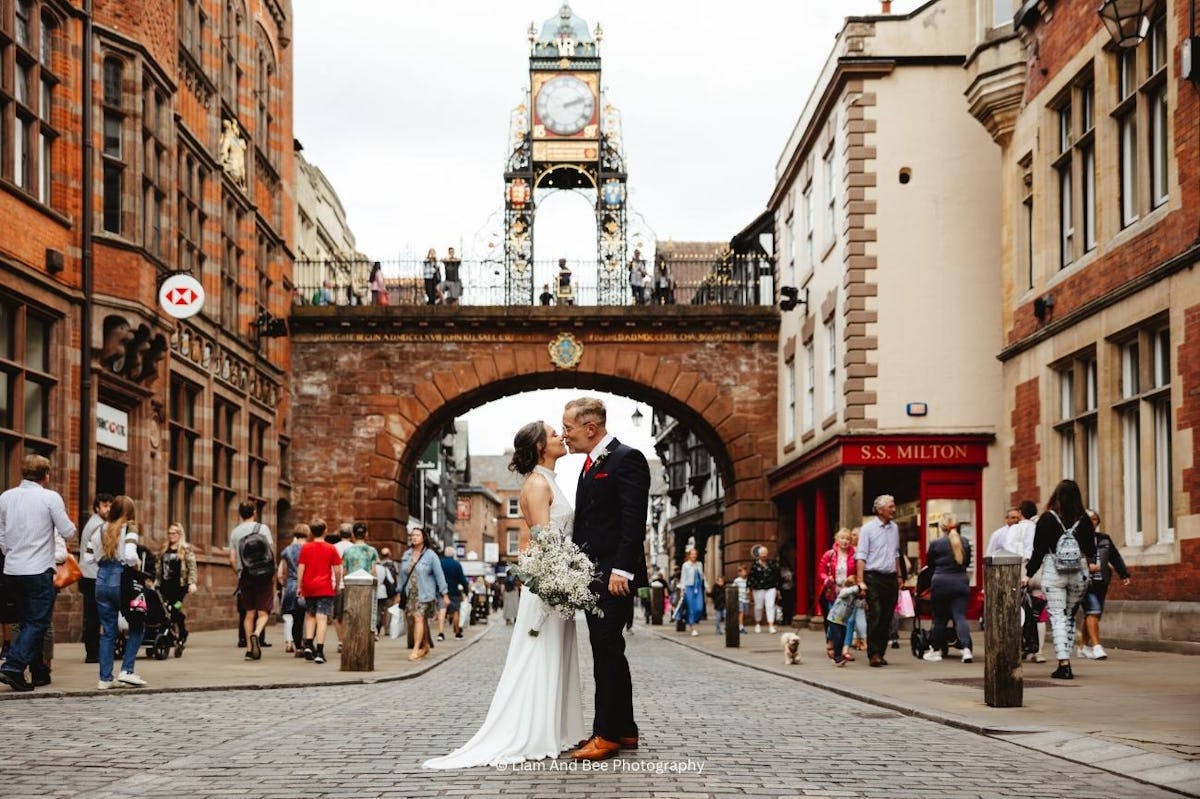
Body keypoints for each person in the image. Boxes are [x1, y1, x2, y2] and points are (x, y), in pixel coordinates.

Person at [424, 421, 584, 769]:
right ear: (541, 446)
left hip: (555, 578)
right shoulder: (539, 483)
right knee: (542, 652)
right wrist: (566, 574)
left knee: (555, 651)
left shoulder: (547, 479)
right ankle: (538, 731)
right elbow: (544, 539)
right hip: (549, 583)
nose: (561, 436)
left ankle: (556, 729)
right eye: (554, 434)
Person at [562, 396, 650, 762]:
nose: (564, 435)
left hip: (612, 575)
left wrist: (622, 570)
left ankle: (606, 735)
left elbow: (633, 519)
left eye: (568, 428)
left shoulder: (626, 459)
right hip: (594, 574)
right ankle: (625, 729)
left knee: (606, 654)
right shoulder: (589, 464)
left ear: (590, 428)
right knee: (610, 651)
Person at [0, 454, 77, 692]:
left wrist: (12, 552)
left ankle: (29, 673)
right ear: (46, 474)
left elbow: (1, 535)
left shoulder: (5, 497)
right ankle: (13, 666)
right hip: (38, 569)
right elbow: (68, 531)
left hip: (12, 569)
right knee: (37, 622)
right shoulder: (49, 498)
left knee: (24, 622)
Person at [1021, 479, 1097, 680]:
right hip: (1079, 572)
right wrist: (1092, 565)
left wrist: (1028, 574)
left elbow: (1038, 551)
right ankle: (1066, 657)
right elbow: (1091, 549)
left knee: (1057, 616)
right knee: (1070, 615)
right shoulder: (1085, 520)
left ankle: (1064, 662)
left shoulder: (1047, 519)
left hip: (1054, 571)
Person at [87, 495, 146, 689]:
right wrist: (136, 563)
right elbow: (129, 556)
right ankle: (127, 670)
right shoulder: (129, 529)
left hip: (101, 581)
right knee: (137, 625)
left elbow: (88, 558)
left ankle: (105, 678)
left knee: (108, 631)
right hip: (122, 580)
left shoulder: (98, 529)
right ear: (129, 512)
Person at [856, 494, 902, 668]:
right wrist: (861, 581)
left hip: (890, 577)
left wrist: (899, 575)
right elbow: (861, 555)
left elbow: (896, 553)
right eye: (891, 506)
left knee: (887, 616)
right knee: (875, 613)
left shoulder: (895, 528)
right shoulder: (868, 529)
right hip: (873, 577)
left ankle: (881, 652)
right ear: (880, 509)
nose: (894, 509)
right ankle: (873, 653)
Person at [922, 513, 974, 664]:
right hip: (961, 582)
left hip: (941, 583)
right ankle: (966, 650)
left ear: (941, 527)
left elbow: (930, 564)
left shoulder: (936, 543)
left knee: (939, 619)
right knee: (960, 617)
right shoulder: (964, 542)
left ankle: (936, 650)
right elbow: (966, 562)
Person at [1079, 509, 1130, 661]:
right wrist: (1087, 565)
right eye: (1088, 519)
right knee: (1093, 611)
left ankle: (1083, 647)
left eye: (1094, 519)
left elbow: (1114, 556)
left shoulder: (1104, 539)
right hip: (1085, 582)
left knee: (1093, 614)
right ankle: (1096, 646)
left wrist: (1124, 574)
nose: (1092, 522)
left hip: (1102, 581)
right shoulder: (1077, 540)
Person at [229, 500, 274, 661]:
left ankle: (249, 649)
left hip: (246, 576)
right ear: (254, 512)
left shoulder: (235, 532)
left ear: (240, 514)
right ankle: (257, 633)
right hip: (263, 575)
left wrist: (239, 573)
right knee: (263, 612)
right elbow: (270, 551)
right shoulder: (263, 528)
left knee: (249, 613)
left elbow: (232, 559)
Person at [296, 518, 341, 664]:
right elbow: (337, 569)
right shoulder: (331, 548)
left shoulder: (306, 548)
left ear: (311, 532)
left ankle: (309, 644)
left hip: (309, 586)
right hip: (324, 586)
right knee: (322, 618)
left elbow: (301, 568)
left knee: (310, 615)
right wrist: (337, 584)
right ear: (325, 530)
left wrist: (299, 586)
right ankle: (320, 651)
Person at [398, 528, 447, 662]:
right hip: (410, 593)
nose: (414, 537)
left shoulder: (431, 555)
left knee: (419, 618)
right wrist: (399, 592)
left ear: (423, 538)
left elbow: (439, 575)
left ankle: (416, 649)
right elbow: (402, 575)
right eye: (412, 535)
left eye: (417, 535)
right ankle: (425, 646)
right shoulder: (407, 555)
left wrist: (444, 593)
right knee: (419, 620)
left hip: (425, 592)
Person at [78, 493, 113, 664]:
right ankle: (92, 652)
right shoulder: (98, 526)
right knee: (94, 615)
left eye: (110, 505)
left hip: (90, 574)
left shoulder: (97, 523)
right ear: (97, 507)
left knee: (94, 615)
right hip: (91, 575)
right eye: (105, 505)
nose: (108, 509)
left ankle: (93, 650)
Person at [155, 522, 198, 647]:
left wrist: (192, 583)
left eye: (173, 533)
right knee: (165, 611)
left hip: (179, 588)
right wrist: (155, 582)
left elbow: (192, 567)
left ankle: (182, 632)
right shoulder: (164, 548)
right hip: (164, 586)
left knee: (175, 609)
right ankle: (169, 635)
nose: (171, 535)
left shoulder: (185, 549)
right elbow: (158, 567)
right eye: (169, 533)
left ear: (180, 534)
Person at [816, 528, 854, 657]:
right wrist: (826, 579)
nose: (845, 541)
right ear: (837, 540)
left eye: (848, 539)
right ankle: (831, 641)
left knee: (849, 620)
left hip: (848, 592)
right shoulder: (830, 554)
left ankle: (845, 648)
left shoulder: (855, 555)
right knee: (834, 620)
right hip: (833, 591)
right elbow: (821, 571)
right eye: (842, 538)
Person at [277, 525, 308, 654]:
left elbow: (281, 573)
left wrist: (285, 584)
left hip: (291, 586)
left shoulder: (287, 550)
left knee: (297, 619)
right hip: (307, 585)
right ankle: (309, 642)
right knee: (311, 617)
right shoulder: (309, 548)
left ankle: (298, 647)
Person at [826, 577, 862, 667]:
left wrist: (862, 597)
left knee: (841, 638)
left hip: (843, 621)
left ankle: (839, 655)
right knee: (837, 636)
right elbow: (845, 592)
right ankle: (837, 657)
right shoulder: (844, 592)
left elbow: (860, 605)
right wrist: (858, 587)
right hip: (834, 619)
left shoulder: (854, 598)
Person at [437, 546, 469, 641]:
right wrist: (466, 591)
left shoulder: (440, 563)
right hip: (454, 592)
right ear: (453, 554)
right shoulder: (457, 564)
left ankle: (441, 633)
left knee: (442, 611)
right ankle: (457, 633)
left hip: (442, 591)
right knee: (455, 612)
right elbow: (463, 579)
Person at [748, 544, 780, 634]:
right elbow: (750, 577)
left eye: (765, 553)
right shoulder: (755, 565)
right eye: (762, 553)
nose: (764, 555)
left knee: (770, 606)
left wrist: (777, 587)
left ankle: (771, 625)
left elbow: (776, 575)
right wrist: (749, 587)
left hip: (770, 587)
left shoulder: (771, 564)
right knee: (758, 606)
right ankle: (758, 623)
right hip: (758, 588)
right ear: (759, 554)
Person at [678, 547, 704, 636]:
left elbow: (702, 576)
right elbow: (683, 578)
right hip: (689, 588)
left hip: (698, 588)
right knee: (691, 608)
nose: (694, 555)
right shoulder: (685, 565)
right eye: (692, 554)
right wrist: (682, 590)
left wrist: (707, 586)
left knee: (699, 608)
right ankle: (692, 627)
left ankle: (690, 620)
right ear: (689, 555)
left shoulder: (699, 564)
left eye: (695, 554)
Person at [733, 564, 749, 634]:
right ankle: (741, 627)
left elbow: (749, 588)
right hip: (739, 599)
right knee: (741, 612)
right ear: (739, 573)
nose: (744, 573)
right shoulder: (737, 580)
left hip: (746, 599)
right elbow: (733, 588)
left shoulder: (748, 580)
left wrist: (749, 592)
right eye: (742, 571)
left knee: (745, 613)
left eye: (745, 571)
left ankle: (741, 625)